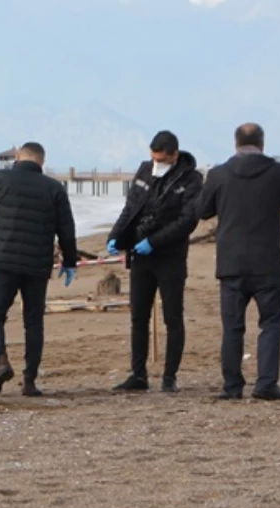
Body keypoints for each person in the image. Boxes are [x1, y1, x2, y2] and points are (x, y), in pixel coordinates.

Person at [193, 123, 280, 401]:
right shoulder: (276, 172)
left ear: (235, 144)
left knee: (232, 327)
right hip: (267, 263)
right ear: (262, 143)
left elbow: (202, 210)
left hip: (231, 264)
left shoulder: (219, 174)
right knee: (270, 324)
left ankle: (232, 387)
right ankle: (266, 384)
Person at [0, 142, 77, 398]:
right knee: (33, 321)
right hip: (36, 263)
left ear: (17, 158)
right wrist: (70, 261)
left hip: (3, 260)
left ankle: (1, 362)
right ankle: (29, 380)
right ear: (42, 162)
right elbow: (66, 228)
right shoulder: (54, 188)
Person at [107, 130, 203, 394]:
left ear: (174, 155)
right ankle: (138, 375)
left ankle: (170, 377)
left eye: (161, 158)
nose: (157, 162)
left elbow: (187, 221)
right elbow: (130, 208)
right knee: (139, 316)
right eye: (153, 158)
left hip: (170, 258)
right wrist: (116, 235)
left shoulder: (192, 179)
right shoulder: (144, 171)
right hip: (140, 257)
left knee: (173, 317)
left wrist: (155, 242)